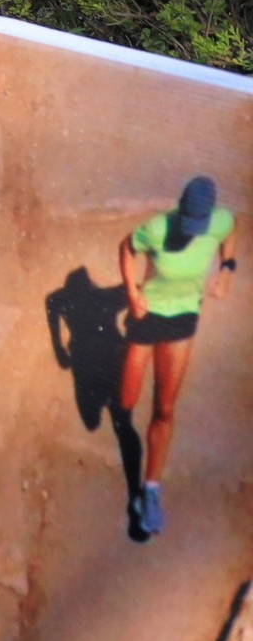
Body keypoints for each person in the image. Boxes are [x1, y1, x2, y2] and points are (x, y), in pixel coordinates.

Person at [117, 175, 235, 537]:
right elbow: (126, 248)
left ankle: (150, 490)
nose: (189, 233)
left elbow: (231, 234)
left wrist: (228, 268)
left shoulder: (220, 222)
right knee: (126, 402)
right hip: (147, 316)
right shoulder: (157, 229)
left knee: (165, 409)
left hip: (183, 317)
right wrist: (132, 293)